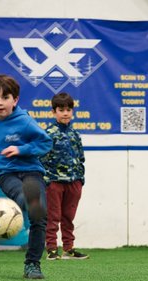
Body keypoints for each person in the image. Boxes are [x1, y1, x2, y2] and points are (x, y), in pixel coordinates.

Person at [0, 74, 52, 279]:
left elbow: (46, 143)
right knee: (22, 195)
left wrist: (22, 149)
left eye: (5, 97)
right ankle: (28, 202)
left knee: (40, 217)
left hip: (31, 170)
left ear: (15, 100)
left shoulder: (25, 121)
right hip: (6, 173)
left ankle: (32, 264)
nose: (0, 102)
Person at [41, 92, 89, 261]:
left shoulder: (75, 134)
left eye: (69, 109)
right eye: (61, 110)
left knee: (68, 217)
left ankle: (68, 248)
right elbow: (42, 158)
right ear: (54, 112)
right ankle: (52, 249)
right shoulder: (48, 134)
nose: (66, 113)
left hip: (74, 182)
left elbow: (81, 157)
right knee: (53, 217)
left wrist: (80, 180)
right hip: (54, 182)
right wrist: (47, 181)